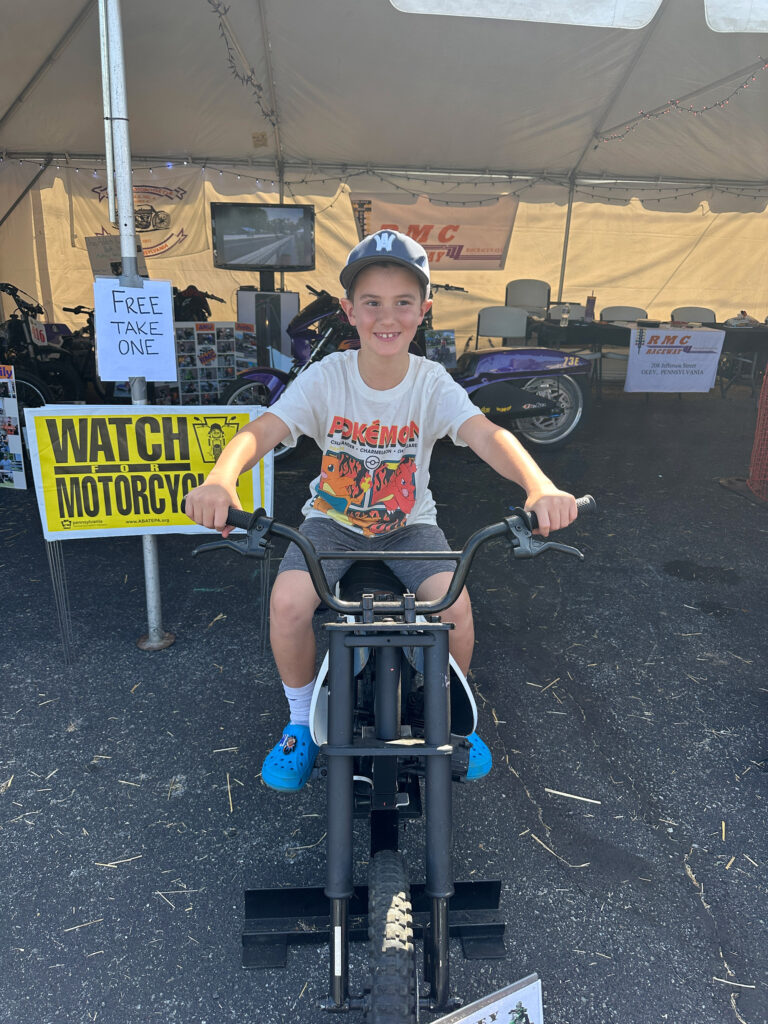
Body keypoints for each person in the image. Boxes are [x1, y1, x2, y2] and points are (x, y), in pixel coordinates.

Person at [184, 230, 578, 791]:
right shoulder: (327, 376)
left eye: (402, 302)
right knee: (288, 602)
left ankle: (451, 720)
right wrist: (222, 479)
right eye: (372, 302)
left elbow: (487, 435)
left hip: (409, 525)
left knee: (456, 608)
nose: (386, 316)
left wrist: (539, 486)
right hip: (331, 523)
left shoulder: (431, 382)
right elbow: (263, 430)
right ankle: (299, 721)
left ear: (424, 310)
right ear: (349, 310)